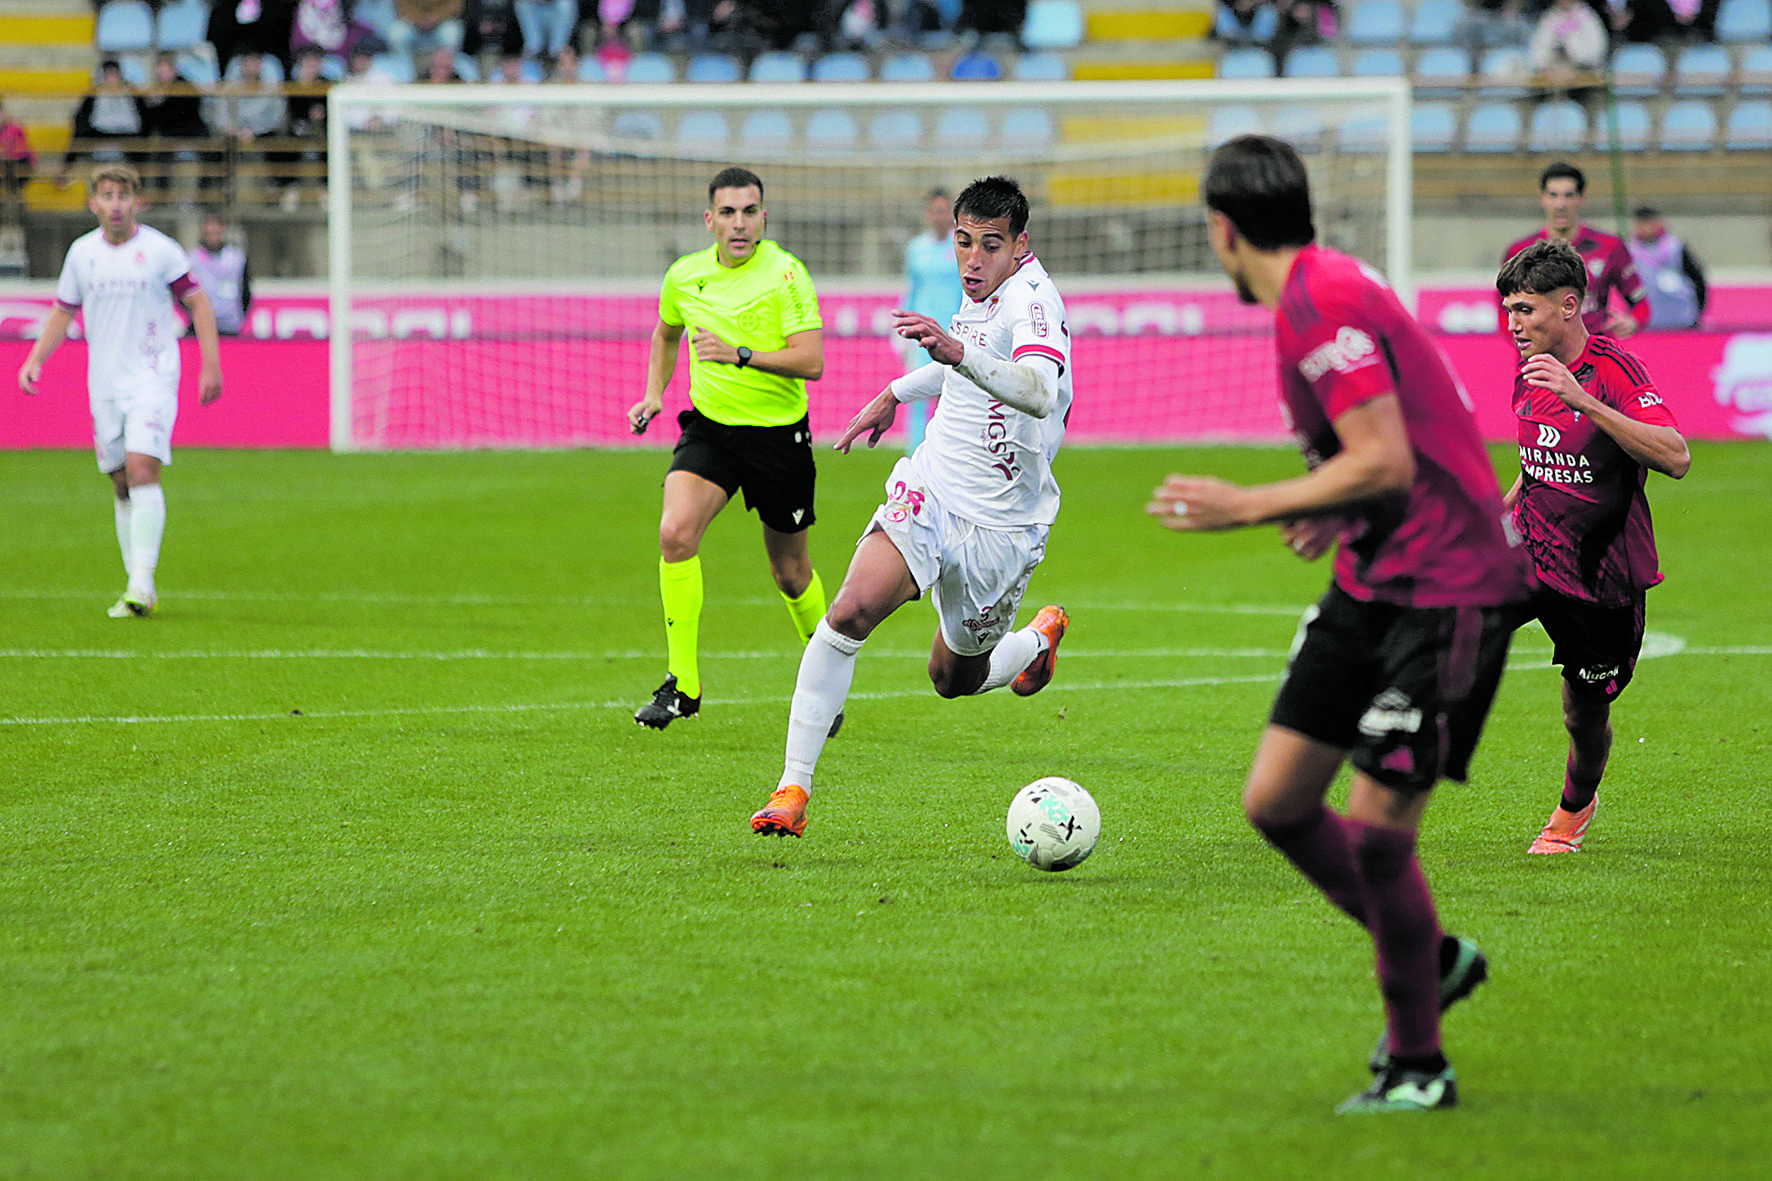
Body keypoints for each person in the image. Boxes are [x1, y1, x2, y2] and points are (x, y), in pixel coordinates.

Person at [1147, 135, 1530, 1114]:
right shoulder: (1315, 292)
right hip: (1373, 577)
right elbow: (1383, 458)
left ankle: (1417, 1064)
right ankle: (1430, 954)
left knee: (1376, 840)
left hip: (1447, 588)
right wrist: (1332, 507)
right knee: (1276, 802)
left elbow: (1386, 459)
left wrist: (1251, 502)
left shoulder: (1322, 300)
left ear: (1223, 230)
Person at [749, 174, 1073, 839]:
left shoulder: (1033, 301)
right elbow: (961, 363)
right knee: (849, 611)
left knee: (953, 677)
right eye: (963, 242)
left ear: (1020, 245)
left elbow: (1039, 390)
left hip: (1002, 525)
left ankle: (1036, 640)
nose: (972, 260)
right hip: (934, 487)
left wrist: (955, 352)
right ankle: (792, 787)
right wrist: (895, 392)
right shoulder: (979, 294)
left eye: (990, 245)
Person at [1496, 238, 1690, 854]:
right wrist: (1499, 513)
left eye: (1525, 310)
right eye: (1509, 309)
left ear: (1569, 305)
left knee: (1582, 715)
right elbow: (1538, 459)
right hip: (1530, 551)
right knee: (1440, 622)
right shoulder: (1529, 367)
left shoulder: (1615, 372)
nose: (1513, 324)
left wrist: (1581, 399)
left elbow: (1676, 457)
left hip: (1600, 577)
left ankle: (1575, 807)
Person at [624, 167, 831, 730]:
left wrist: (740, 354)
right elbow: (666, 332)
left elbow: (811, 361)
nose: (739, 224)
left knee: (790, 572)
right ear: (710, 219)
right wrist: (653, 394)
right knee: (675, 533)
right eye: (728, 213)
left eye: (750, 212)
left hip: (778, 438)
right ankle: (683, 685)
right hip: (711, 432)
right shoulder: (685, 276)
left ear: (764, 217)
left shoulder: (786, 274)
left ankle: (826, 679)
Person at [16, 164, 224, 618]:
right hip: (105, 384)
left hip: (153, 377)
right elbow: (63, 310)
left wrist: (210, 364)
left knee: (142, 469)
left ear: (137, 202)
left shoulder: (160, 251)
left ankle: (139, 584)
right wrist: (35, 359)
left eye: (124, 196)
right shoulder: (82, 254)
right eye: (107, 196)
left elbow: (198, 302)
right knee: (121, 481)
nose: (116, 205)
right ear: (93, 203)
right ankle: (139, 587)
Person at [1502, 162, 1648, 339]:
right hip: (1540, 352)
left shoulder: (1610, 247)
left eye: (1569, 195)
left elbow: (1641, 304)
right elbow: (1504, 310)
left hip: (1593, 350)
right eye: (1553, 195)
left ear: (1582, 197)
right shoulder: (1520, 252)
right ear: (1542, 197)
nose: (1560, 204)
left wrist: (1633, 321)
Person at [895, 187, 964, 452]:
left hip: (953, 334)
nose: (939, 216)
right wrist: (902, 332)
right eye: (935, 211)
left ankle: (950, 455)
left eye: (944, 211)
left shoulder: (961, 247)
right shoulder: (916, 249)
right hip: (921, 336)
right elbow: (912, 289)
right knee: (916, 397)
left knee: (954, 399)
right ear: (927, 214)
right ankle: (916, 456)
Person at [1626, 205, 1707, 330]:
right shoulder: (1629, 251)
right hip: (1649, 322)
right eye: (1642, 224)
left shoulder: (1675, 246)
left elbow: (1698, 280)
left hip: (1682, 319)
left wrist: (1698, 312)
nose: (1646, 228)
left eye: (1650, 223)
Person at [188, 212, 252, 336]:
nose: (213, 236)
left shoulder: (236, 257)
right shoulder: (192, 259)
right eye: (209, 232)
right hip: (200, 324)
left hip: (229, 324)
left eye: (216, 231)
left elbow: (245, 290)